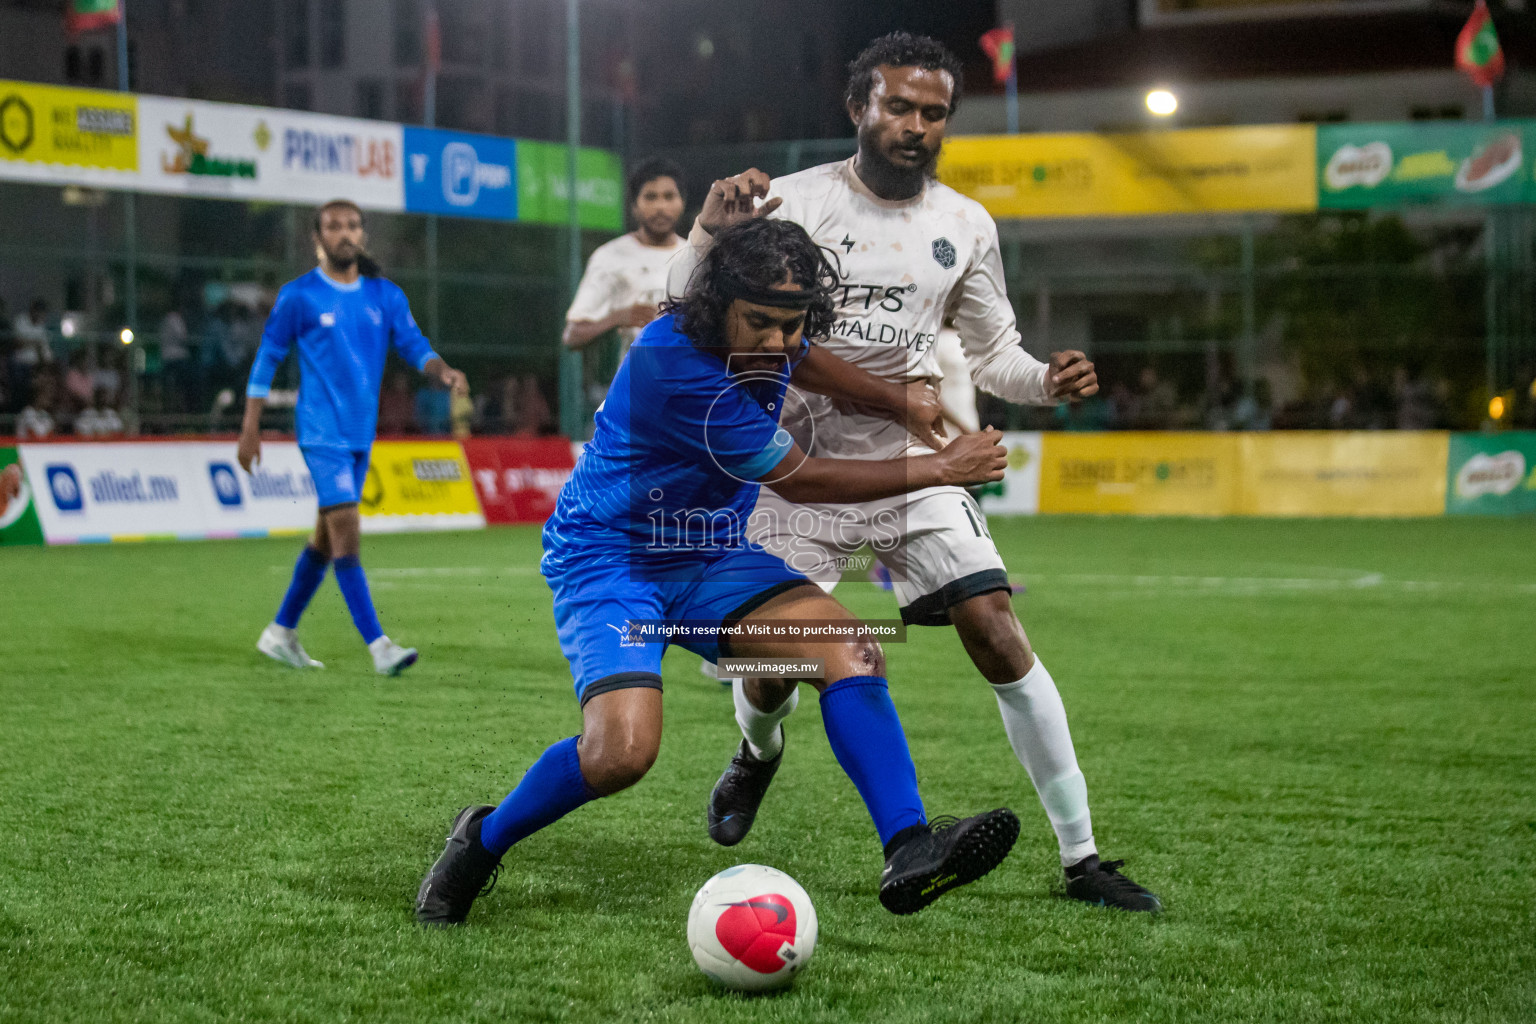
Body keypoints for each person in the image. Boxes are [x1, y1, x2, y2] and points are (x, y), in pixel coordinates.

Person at [670, 32, 1160, 912]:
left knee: (997, 626)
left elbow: (995, 353)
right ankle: (757, 753)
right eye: (899, 106)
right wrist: (708, 230)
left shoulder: (966, 224)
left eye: (934, 113)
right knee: (775, 668)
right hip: (794, 473)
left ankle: (1083, 858)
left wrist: (1047, 380)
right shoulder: (795, 203)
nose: (917, 126)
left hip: (916, 469)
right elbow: (712, 312)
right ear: (860, 106)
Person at [416, 218, 1021, 926]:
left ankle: (910, 846)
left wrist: (893, 397)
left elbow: (808, 358)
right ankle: (481, 840)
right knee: (621, 755)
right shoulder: (673, 364)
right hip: (613, 561)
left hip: (710, 554)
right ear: (717, 307)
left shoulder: (773, 338)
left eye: (791, 323)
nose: (776, 341)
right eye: (759, 322)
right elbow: (802, 477)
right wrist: (942, 467)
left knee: (852, 648)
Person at [238, 198, 469, 676]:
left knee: (324, 540)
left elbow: (414, 345)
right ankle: (379, 646)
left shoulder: (385, 296)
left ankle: (280, 632)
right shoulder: (298, 296)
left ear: (362, 235)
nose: (344, 233)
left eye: (352, 226)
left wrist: (440, 370)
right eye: (333, 226)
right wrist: (250, 426)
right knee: (346, 528)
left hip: (361, 434)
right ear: (317, 238)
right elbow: (266, 358)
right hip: (321, 430)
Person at [562, 158, 688, 403]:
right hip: (629, 398)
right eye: (650, 197)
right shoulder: (610, 257)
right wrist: (619, 317)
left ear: (682, 202)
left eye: (669, 196)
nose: (661, 206)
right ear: (634, 206)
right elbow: (572, 336)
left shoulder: (696, 257)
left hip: (688, 395)